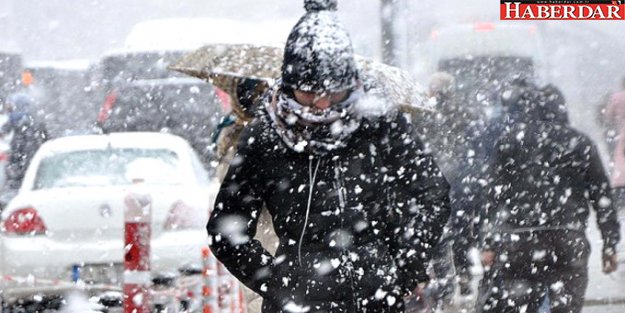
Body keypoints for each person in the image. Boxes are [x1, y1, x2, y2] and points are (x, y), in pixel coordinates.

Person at [206, 1, 452, 312]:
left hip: (376, 299)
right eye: (309, 92)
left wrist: (406, 267)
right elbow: (225, 230)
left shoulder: (379, 123)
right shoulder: (265, 135)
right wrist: (277, 282)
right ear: (289, 84)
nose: (322, 105)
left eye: (333, 92)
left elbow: (431, 194)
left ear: (350, 82)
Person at [475, 81, 620, 313]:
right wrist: (610, 244)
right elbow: (601, 194)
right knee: (565, 304)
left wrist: (488, 243)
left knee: (519, 303)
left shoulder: (510, 141)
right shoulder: (579, 142)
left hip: (517, 240)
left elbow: (491, 194)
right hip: (567, 236)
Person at [1, 93, 49, 192]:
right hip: (31, 159)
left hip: (20, 160)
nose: (8, 108)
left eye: (11, 105)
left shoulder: (15, 119)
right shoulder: (33, 119)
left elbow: (4, 131)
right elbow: (45, 138)